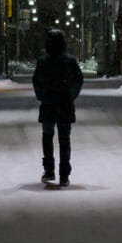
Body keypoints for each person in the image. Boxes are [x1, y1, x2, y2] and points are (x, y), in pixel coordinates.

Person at [32, 28, 84, 186]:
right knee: (64, 140)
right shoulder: (69, 61)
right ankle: (64, 175)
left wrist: (42, 95)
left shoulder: (43, 61)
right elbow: (78, 80)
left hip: (48, 104)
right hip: (65, 105)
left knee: (47, 137)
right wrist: (70, 95)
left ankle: (49, 171)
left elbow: (36, 80)